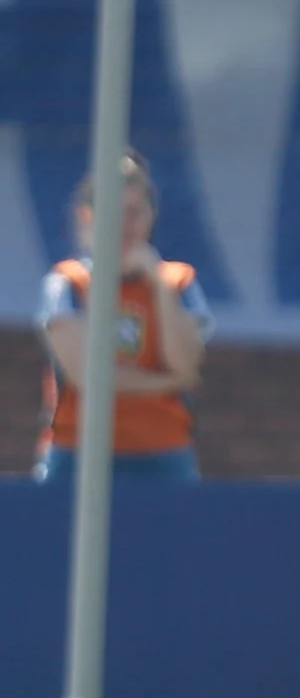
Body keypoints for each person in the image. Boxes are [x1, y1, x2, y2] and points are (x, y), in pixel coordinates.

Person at [35, 151, 211, 483]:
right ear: (89, 217)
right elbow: (90, 376)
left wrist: (158, 285)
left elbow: (186, 365)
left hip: (164, 452)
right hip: (76, 452)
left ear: (151, 216)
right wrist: (165, 382)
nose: (125, 225)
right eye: (113, 213)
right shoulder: (68, 283)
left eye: (134, 213)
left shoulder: (180, 282)